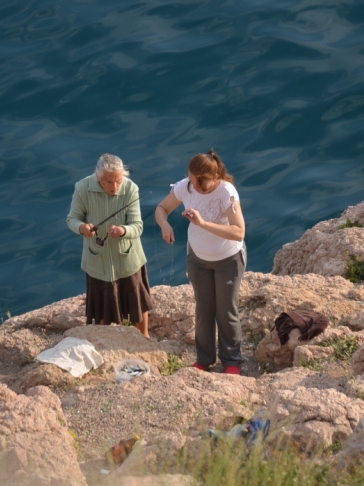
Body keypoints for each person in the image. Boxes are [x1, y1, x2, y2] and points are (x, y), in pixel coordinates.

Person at [155, 149, 246, 374]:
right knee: (204, 310)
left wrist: (203, 223)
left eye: (198, 182)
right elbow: (161, 208)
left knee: (226, 311)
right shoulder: (185, 186)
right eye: (191, 179)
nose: (193, 186)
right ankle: (204, 359)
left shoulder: (226, 192)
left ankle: (232, 361)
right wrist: (165, 225)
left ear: (214, 178)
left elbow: (239, 232)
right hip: (198, 259)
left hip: (228, 260)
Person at [67, 154, 152, 338]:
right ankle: (106, 339)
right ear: (98, 177)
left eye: (118, 180)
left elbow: (137, 226)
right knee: (102, 305)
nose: (115, 186)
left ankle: (145, 336)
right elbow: (72, 219)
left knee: (138, 301)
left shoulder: (130, 189)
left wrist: (123, 231)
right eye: (108, 181)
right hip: (98, 260)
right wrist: (82, 228)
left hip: (128, 257)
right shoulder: (83, 188)